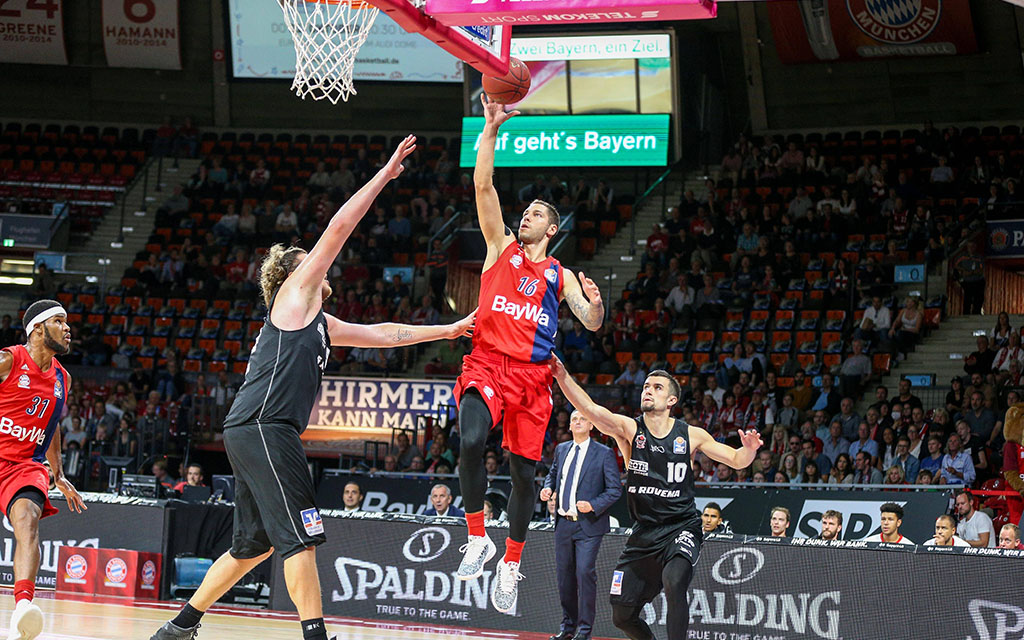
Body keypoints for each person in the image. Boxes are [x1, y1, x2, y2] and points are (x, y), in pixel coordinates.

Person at [151, 137, 477, 640]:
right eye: (310, 262)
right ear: (292, 273)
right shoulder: (295, 294)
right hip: (265, 426)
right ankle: (315, 636)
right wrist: (385, 175)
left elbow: (386, 335)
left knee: (252, 547)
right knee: (301, 538)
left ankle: (178, 628)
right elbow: (340, 226)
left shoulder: (318, 321)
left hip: (253, 428)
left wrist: (450, 331)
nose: (322, 268)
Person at [452, 96, 604, 615]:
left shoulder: (559, 275)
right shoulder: (500, 248)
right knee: (470, 439)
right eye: (526, 212)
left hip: (533, 379)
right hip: (488, 362)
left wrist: (598, 308)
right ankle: (477, 537)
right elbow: (483, 186)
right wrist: (490, 132)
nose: (527, 216)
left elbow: (589, 321)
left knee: (522, 478)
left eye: (537, 214)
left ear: (552, 229)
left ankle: (511, 564)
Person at [549, 359, 761, 640]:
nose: (648, 390)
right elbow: (590, 410)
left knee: (674, 582)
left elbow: (736, 460)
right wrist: (563, 376)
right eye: (646, 386)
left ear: (671, 399)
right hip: (644, 533)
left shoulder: (690, 434)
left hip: (681, 527)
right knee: (622, 615)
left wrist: (748, 451)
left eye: (657, 387)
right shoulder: (629, 429)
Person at [0, 300, 86, 640]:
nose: (68, 328)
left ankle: (22, 606)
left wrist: (58, 472)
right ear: (38, 329)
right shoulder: (8, 361)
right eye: (60, 321)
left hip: (24, 465)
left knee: (28, 521)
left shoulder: (62, 378)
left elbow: (53, 424)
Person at [540, 411, 622, 640]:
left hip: (588, 526)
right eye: (574, 418)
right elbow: (553, 473)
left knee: (585, 572)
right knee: (564, 577)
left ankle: (584, 631)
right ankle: (567, 628)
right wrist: (548, 488)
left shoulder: (604, 453)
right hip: (563, 524)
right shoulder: (561, 449)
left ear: (591, 425)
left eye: (582, 419)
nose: (577, 422)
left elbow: (615, 490)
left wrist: (594, 504)